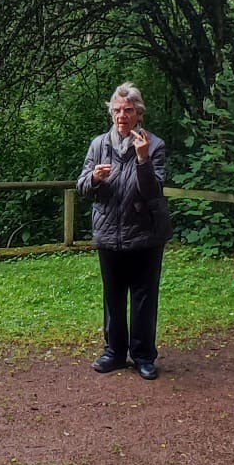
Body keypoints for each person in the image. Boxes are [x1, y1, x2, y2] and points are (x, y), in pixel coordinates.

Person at [77, 84, 171, 381]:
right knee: (113, 296)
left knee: (144, 297)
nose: (122, 115)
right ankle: (114, 353)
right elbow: (80, 186)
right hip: (108, 233)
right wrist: (93, 177)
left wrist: (142, 160)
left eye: (128, 110)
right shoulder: (99, 145)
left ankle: (143, 356)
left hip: (145, 234)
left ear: (138, 114)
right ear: (111, 113)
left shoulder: (154, 145)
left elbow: (152, 192)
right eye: (117, 110)